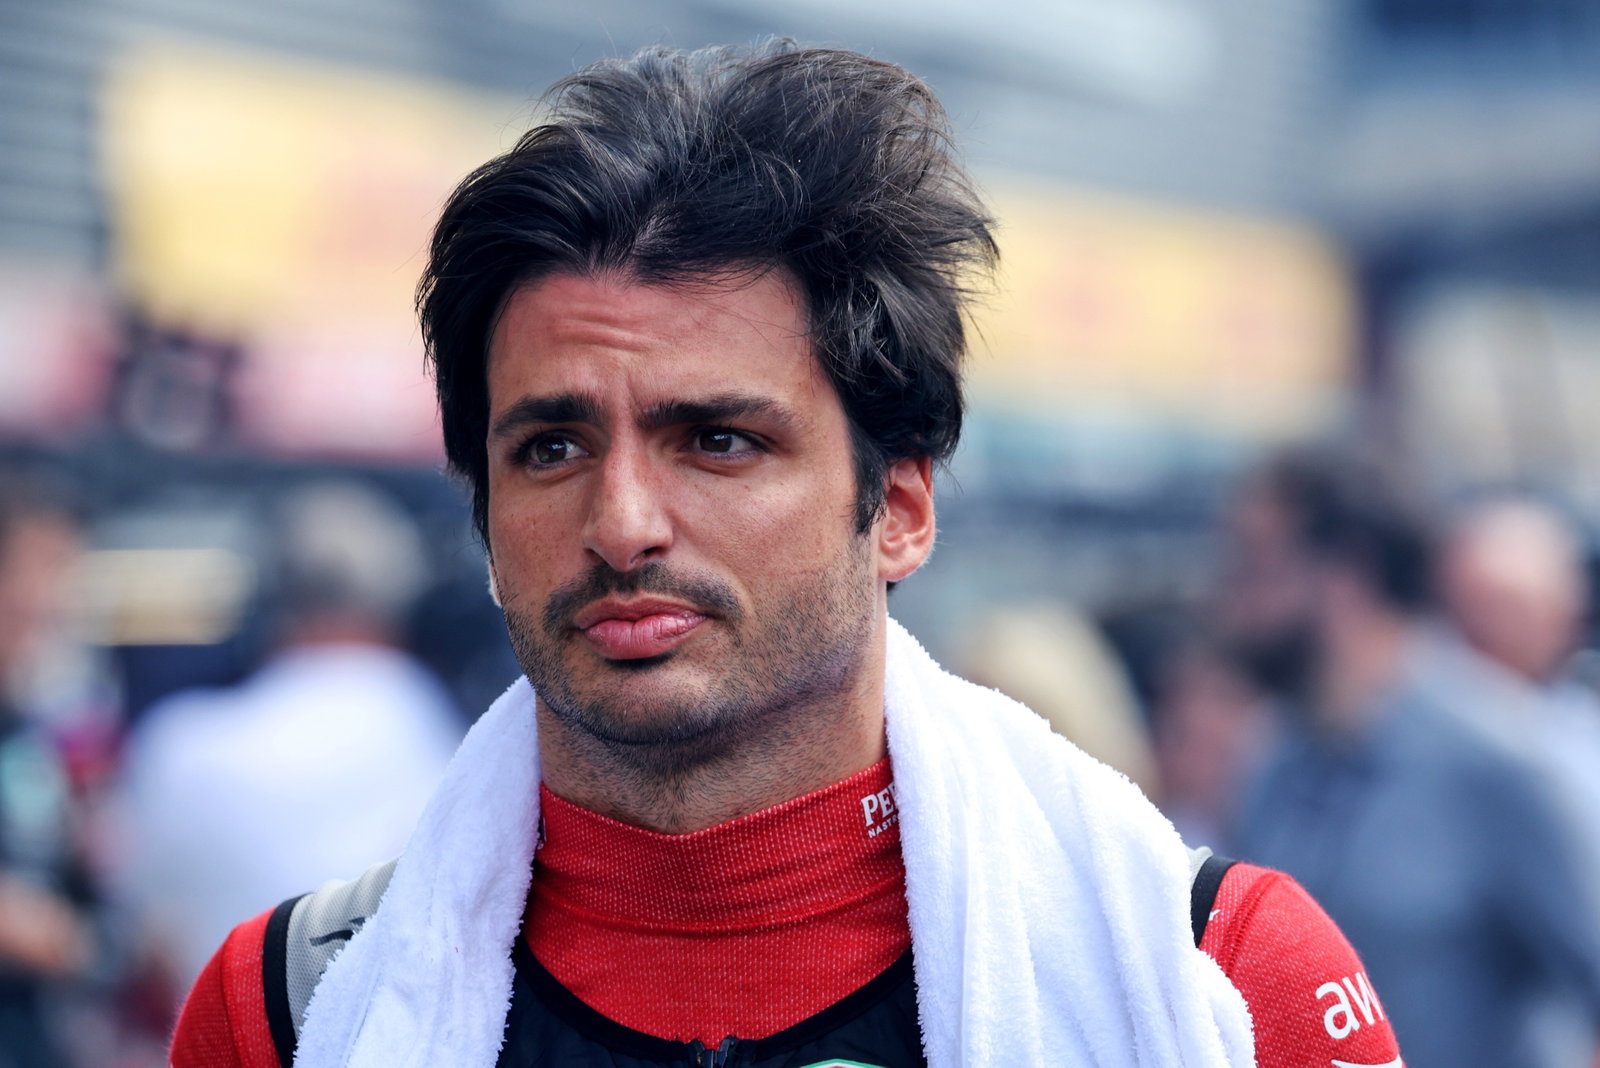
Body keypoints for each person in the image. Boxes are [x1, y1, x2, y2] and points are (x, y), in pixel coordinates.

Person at [170, 42, 1399, 1068]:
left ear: (898, 507)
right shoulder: (287, 1012)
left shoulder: (1221, 983)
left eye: (717, 440)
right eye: (550, 448)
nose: (621, 522)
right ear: (483, 515)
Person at [1234, 458, 1600, 1068]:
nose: (1229, 593)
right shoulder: (1275, 766)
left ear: (1344, 576)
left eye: (1255, 562)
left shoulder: (1496, 759)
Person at [119, 481, 462, 991]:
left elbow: (139, 926)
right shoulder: (411, 707)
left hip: (213, 1029)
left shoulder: (177, 743)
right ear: (391, 610)